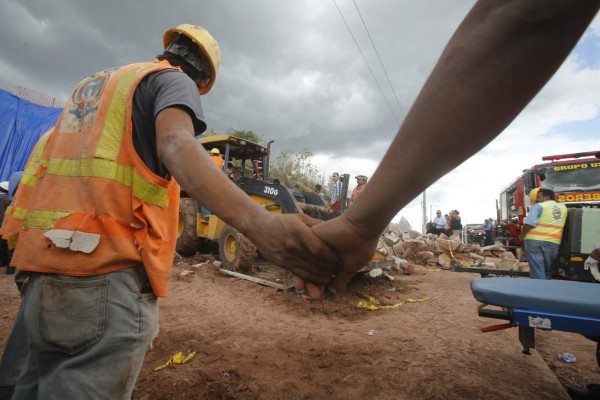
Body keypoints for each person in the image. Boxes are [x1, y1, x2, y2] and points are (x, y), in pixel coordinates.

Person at [0, 23, 338, 398]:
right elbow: (177, 143)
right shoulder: (173, 82)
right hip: (103, 275)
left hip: (37, 270)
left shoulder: (92, 92)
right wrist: (262, 225)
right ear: (203, 78)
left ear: (169, 49)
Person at [294, 0, 600, 298]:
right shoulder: (559, 209)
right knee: (545, 275)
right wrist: (358, 224)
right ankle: (546, 296)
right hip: (552, 242)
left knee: (539, 274)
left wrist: (359, 224)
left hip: (535, 241)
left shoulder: (539, 208)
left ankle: (543, 298)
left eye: (360, 182)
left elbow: (530, 16)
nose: (359, 183)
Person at [521, 188, 567, 279]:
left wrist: (523, 235)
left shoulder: (539, 206)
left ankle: (539, 290)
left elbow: (528, 224)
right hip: (553, 243)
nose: (536, 199)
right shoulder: (563, 207)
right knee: (548, 269)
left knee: (538, 269)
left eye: (538, 197)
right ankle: (547, 289)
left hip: (534, 242)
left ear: (546, 197)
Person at [0, 181, 10, 273]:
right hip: (6, 224)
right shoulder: (7, 198)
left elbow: (1, 214)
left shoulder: (1, 198)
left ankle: (3, 263)